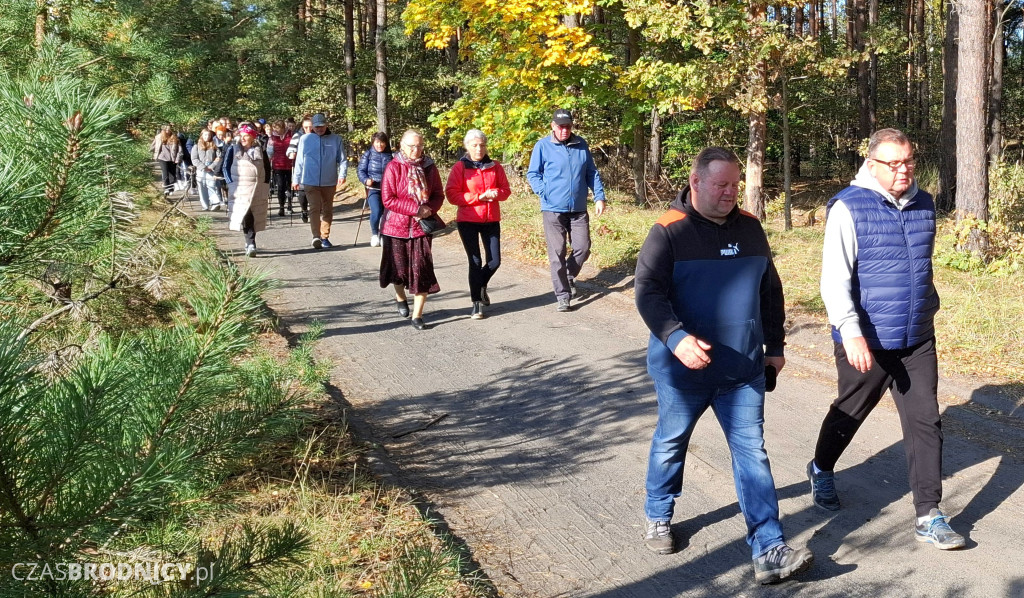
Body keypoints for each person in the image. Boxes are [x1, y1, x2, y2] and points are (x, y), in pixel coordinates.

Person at [634, 147, 813, 584]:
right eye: (721, 184)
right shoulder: (668, 232)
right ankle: (658, 512)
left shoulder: (751, 229)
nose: (731, 192)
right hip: (683, 372)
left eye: (736, 184)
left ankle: (769, 548)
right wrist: (675, 339)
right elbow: (647, 292)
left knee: (752, 453)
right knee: (672, 440)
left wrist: (775, 345)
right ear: (695, 182)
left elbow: (770, 290)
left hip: (743, 370)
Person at [808, 128, 964, 550]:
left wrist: (928, 306)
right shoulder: (848, 207)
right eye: (893, 163)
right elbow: (833, 280)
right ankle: (821, 468)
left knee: (925, 420)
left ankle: (929, 515)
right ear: (872, 165)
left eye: (909, 161)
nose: (903, 170)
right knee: (851, 410)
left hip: (916, 336)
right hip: (866, 338)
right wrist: (851, 331)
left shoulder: (924, 203)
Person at [526, 108, 606, 312]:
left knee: (583, 247)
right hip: (553, 209)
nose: (564, 130)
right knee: (557, 252)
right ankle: (563, 295)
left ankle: (568, 275)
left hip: (578, 208)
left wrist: (599, 197)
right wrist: (544, 192)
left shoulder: (581, 144)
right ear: (553, 126)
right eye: (561, 127)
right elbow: (533, 174)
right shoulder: (543, 146)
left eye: (568, 126)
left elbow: (591, 172)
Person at [379, 130, 444, 331]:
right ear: (402, 145)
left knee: (421, 269)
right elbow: (388, 199)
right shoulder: (393, 166)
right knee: (397, 270)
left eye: (420, 146)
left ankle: (417, 315)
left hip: (421, 228)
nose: (416, 150)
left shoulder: (429, 167)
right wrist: (415, 209)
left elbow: (438, 195)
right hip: (395, 227)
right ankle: (400, 298)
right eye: (411, 146)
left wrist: (428, 210)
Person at [445, 129, 511, 319]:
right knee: (475, 262)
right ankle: (476, 304)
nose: (479, 148)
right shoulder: (460, 167)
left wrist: (496, 193)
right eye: (474, 145)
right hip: (468, 219)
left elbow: (506, 191)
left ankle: (480, 285)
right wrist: (478, 197)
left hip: (491, 219)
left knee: (494, 261)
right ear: (467, 146)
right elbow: (452, 194)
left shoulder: (495, 166)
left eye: (482, 145)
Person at [292, 113, 347, 249]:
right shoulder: (305, 139)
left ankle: (325, 236)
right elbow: (299, 161)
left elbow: (343, 159)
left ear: (326, 125)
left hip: (329, 180)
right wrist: (296, 179)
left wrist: (342, 174)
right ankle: (316, 236)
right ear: (312, 127)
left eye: (321, 126)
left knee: (327, 210)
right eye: (316, 127)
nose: (319, 129)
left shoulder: (336, 139)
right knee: (314, 208)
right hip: (310, 180)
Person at [222, 123, 271, 257]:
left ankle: (250, 241)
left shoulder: (260, 150)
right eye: (241, 136)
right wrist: (230, 183)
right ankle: (250, 243)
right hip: (240, 189)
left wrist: (266, 184)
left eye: (246, 136)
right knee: (246, 214)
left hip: (256, 188)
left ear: (252, 137)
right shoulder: (233, 149)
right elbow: (225, 167)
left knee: (254, 214)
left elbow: (267, 168)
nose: (243, 138)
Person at [357, 132, 394, 247]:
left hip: (388, 189)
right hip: (373, 188)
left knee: (387, 213)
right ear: (373, 143)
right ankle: (374, 234)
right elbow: (360, 171)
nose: (380, 145)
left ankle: (384, 235)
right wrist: (366, 180)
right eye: (377, 142)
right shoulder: (368, 155)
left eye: (382, 142)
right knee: (377, 211)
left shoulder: (391, 155)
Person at [287, 115, 313, 223]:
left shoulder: (319, 136)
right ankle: (304, 209)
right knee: (302, 191)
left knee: (314, 190)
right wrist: (291, 153)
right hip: (301, 167)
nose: (308, 130)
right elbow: (289, 150)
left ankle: (314, 210)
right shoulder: (298, 136)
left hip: (315, 168)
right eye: (306, 127)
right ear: (302, 127)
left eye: (310, 127)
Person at [267, 120, 295, 216]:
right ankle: (281, 206)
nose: (276, 131)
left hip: (290, 164)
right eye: (274, 129)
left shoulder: (291, 135)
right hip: (277, 165)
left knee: (289, 186)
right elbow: (269, 152)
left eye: (277, 129)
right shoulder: (272, 138)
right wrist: (268, 163)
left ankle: (290, 204)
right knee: (281, 186)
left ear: (283, 128)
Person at [190, 128, 223, 211]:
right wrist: (203, 167)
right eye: (205, 135)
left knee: (211, 185)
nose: (207, 136)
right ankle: (205, 205)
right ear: (202, 135)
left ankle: (215, 202)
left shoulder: (214, 145)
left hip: (211, 169)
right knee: (202, 187)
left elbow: (218, 157)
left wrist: (211, 166)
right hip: (201, 169)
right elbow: (194, 159)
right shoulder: (196, 146)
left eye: (208, 135)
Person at [151, 124, 183, 198]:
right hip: (162, 157)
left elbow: (179, 150)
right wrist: (155, 152)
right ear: (163, 130)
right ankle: (166, 188)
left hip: (172, 158)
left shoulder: (175, 138)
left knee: (172, 174)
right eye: (166, 130)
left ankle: (171, 188)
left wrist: (178, 158)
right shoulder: (159, 137)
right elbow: (152, 146)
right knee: (165, 172)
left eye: (169, 129)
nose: (167, 131)